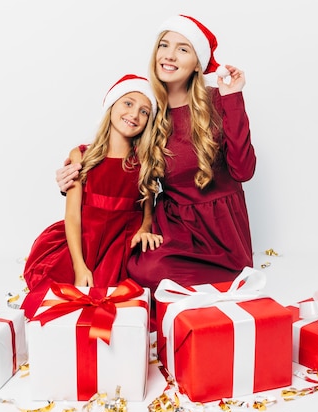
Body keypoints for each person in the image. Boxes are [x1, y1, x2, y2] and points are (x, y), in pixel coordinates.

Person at [55, 15, 256, 308]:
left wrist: (234, 98)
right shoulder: (148, 108)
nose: (170, 55)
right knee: (138, 269)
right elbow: (120, 159)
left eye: (183, 49)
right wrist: (73, 177)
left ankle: (227, 279)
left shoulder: (218, 99)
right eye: (164, 45)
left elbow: (243, 169)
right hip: (173, 223)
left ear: (197, 63)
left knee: (153, 274)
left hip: (220, 225)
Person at [21, 74, 164, 318]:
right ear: (111, 106)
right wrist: (79, 265)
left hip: (121, 242)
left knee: (116, 298)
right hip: (85, 240)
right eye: (128, 103)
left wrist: (145, 229)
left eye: (144, 111)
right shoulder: (81, 156)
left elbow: (146, 212)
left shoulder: (144, 160)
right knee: (65, 292)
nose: (134, 115)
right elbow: (73, 216)